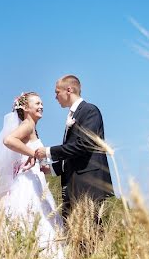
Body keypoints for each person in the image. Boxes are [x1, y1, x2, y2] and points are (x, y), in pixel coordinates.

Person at [0, 91, 66, 259]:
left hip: (35, 180)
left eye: (42, 103)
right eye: (37, 103)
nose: (41, 106)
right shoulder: (27, 125)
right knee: (34, 223)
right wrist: (34, 154)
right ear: (25, 108)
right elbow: (8, 140)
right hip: (27, 185)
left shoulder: (32, 126)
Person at [34, 75, 113, 222]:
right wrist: (51, 169)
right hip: (73, 185)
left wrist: (48, 151)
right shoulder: (73, 114)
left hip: (88, 185)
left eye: (57, 92)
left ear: (68, 90)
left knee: (91, 236)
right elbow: (73, 155)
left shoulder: (89, 111)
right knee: (74, 237)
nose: (55, 97)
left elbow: (83, 145)